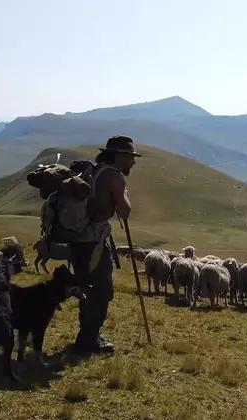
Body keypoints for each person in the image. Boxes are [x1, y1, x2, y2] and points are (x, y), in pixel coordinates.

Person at [71, 135, 140, 356]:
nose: (133, 162)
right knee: (102, 290)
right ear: (119, 156)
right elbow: (124, 211)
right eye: (130, 157)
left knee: (87, 288)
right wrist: (125, 195)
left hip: (77, 239)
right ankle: (89, 340)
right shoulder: (114, 177)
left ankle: (86, 336)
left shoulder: (95, 170)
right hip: (94, 242)